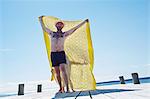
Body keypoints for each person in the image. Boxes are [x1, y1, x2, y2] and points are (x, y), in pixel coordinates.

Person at [39, 16, 88, 93]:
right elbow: (44, 28)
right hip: (53, 54)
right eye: (58, 24)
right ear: (56, 26)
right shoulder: (52, 33)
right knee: (57, 72)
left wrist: (84, 22)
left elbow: (75, 28)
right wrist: (40, 20)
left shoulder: (65, 34)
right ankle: (61, 88)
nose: (59, 25)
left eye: (61, 24)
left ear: (62, 26)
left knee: (63, 70)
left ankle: (68, 88)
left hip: (61, 53)